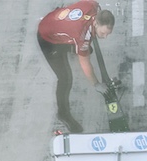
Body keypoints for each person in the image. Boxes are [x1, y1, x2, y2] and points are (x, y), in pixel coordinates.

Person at [37, 2, 115, 133]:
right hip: (47, 38)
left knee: (85, 48)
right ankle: (63, 113)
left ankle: (71, 43)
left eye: (108, 34)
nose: (105, 37)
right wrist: (96, 84)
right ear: (96, 23)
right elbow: (85, 63)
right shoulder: (82, 36)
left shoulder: (94, 6)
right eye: (103, 33)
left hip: (54, 19)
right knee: (65, 78)